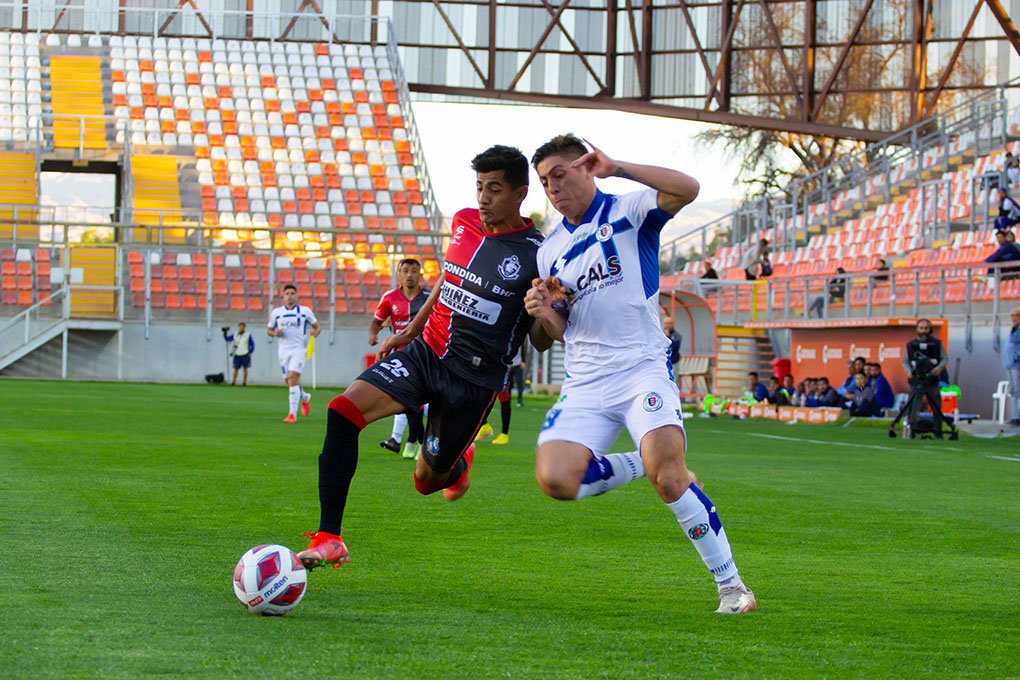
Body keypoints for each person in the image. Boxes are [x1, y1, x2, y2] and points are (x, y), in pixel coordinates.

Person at [525, 133, 755, 614]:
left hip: (641, 368)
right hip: (584, 380)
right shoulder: (549, 251)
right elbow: (552, 336)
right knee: (556, 481)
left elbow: (687, 189)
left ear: (586, 168)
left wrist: (620, 165)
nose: (552, 188)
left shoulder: (628, 209)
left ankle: (733, 587)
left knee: (670, 480)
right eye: (544, 181)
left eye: (560, 175)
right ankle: (642, 461)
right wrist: (543, 312)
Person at [296, 145, 553, 570]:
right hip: (424, 351)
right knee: (342, 411)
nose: (483, 199)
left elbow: (542, 342)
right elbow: (449, 278)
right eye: (478, 188)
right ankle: (330, 537)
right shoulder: (463, 223)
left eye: (494, 189)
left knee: (426, 482)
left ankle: (459, 461)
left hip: (473, 380)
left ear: (520, 193)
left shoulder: (537, 253)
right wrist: (410, 331)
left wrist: (542, 309)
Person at [370, 258, 430, 459]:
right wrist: (373, 334)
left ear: (420, 274)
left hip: (426, 356)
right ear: (399, 275)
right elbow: (376, 320)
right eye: (405, 270)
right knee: (408, 400)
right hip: (400, 357)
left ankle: (410, 442)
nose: (410, 274)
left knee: (414, 401)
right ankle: (413, 442)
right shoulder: (390, 298)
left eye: (414, 270)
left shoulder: (429, 298)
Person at [267, 284, 321, 423]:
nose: (290, 296)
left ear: (296, 296)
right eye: (287, 293)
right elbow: (269, 330)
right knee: (289, 382)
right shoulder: (277, 313)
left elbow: (317, 326)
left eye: (292, 293)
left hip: (299, 349)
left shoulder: (305, 311)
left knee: (292, 378)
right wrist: (275, 333)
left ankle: (292, 414)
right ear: (283, 296)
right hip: (283, 351)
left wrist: (315, 332)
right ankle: (305, 397)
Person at [901, 318, 952, 438]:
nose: (924, 331)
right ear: (917, 329)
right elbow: (905, 361)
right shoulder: (911, 345)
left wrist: (938, 368)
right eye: (921, 328)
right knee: (914, 405)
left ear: (930, 329)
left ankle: (938, 431)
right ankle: (912, 430)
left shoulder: (937, 344)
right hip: (916, 379)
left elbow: (944, 358)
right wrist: (909, 372)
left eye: (926, 328)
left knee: (935, 405)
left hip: (932, 379)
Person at [1004, 307, 1020, 426]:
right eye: (1012, 315)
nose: (1014, 318)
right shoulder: (1013, 330)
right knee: (1013, 391)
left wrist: (1015, 356)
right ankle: (1015, 416)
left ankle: (1018, 416)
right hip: (1009, 364)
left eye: (1017, 315)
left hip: (1017, 365)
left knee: (1018, 391)